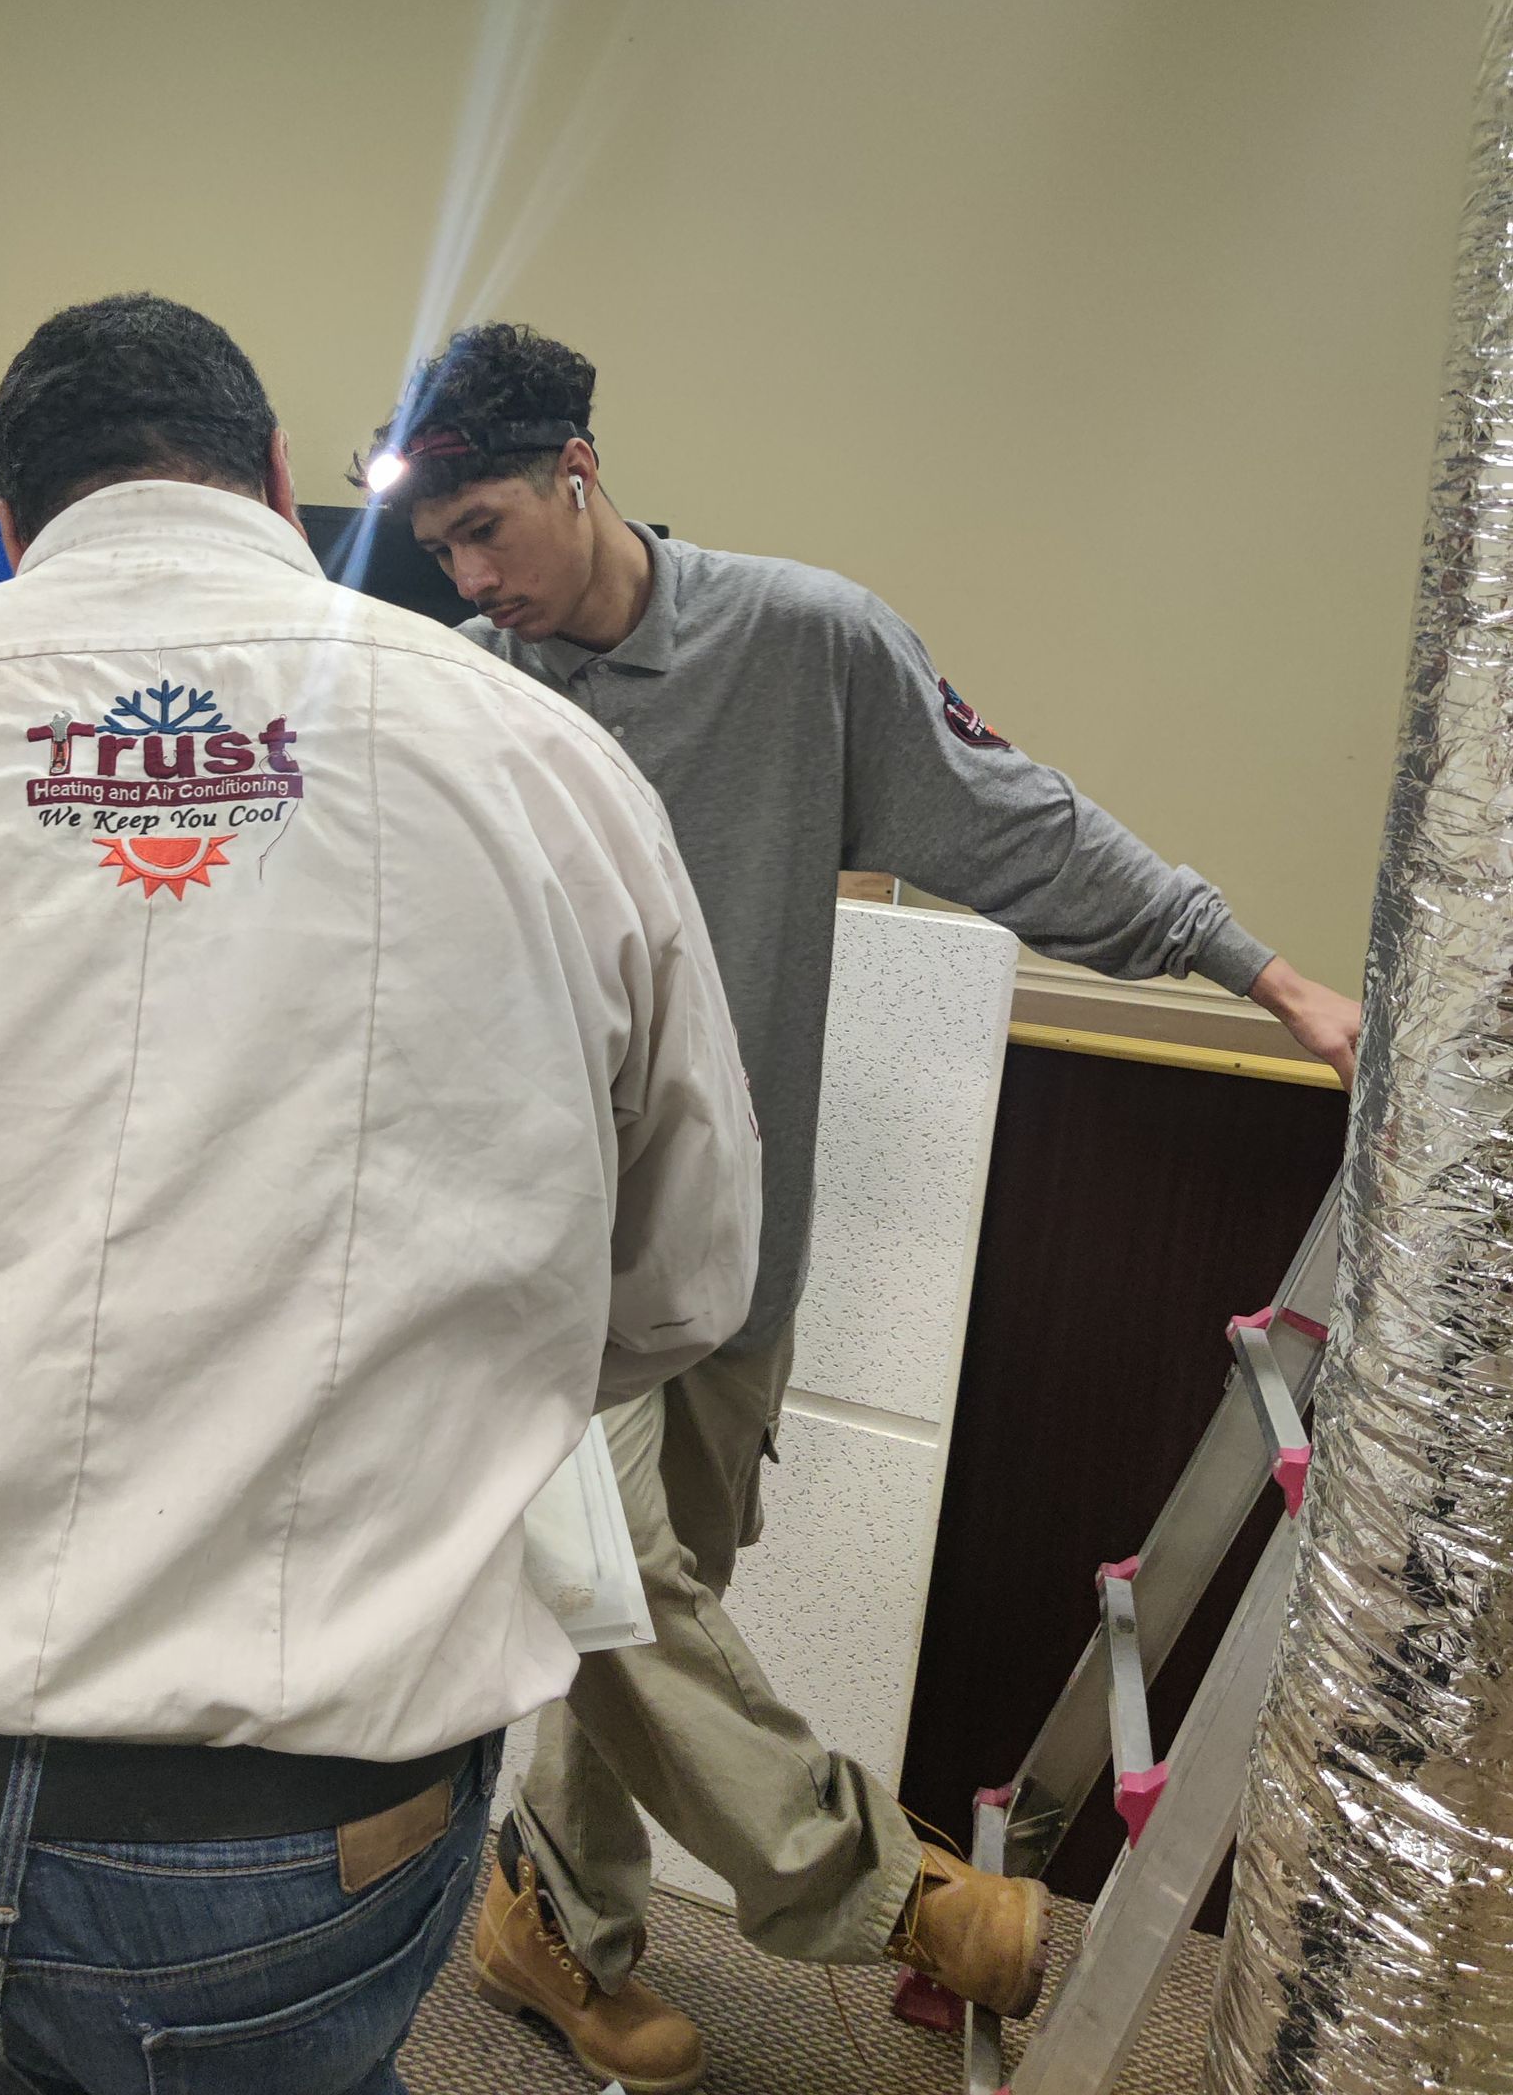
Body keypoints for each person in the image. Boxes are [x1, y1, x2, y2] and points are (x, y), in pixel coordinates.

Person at [0, 294, 762, 2095]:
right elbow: (689, 1281)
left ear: (11, 522)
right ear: (286, 483)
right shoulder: (548, 770)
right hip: (280, 1832)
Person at [357, 321, 1363, 2095]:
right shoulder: (469, 687)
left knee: (654, 1609)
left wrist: (1264, 980)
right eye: (440, 551)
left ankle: (551, 1927)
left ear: (581, 472)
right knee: (617, 1593)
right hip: (520, 1252)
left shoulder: (801, 642)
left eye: (490, 530)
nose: (470, 579)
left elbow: (1020, 826)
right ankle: (885, 1892)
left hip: (732, 1244)